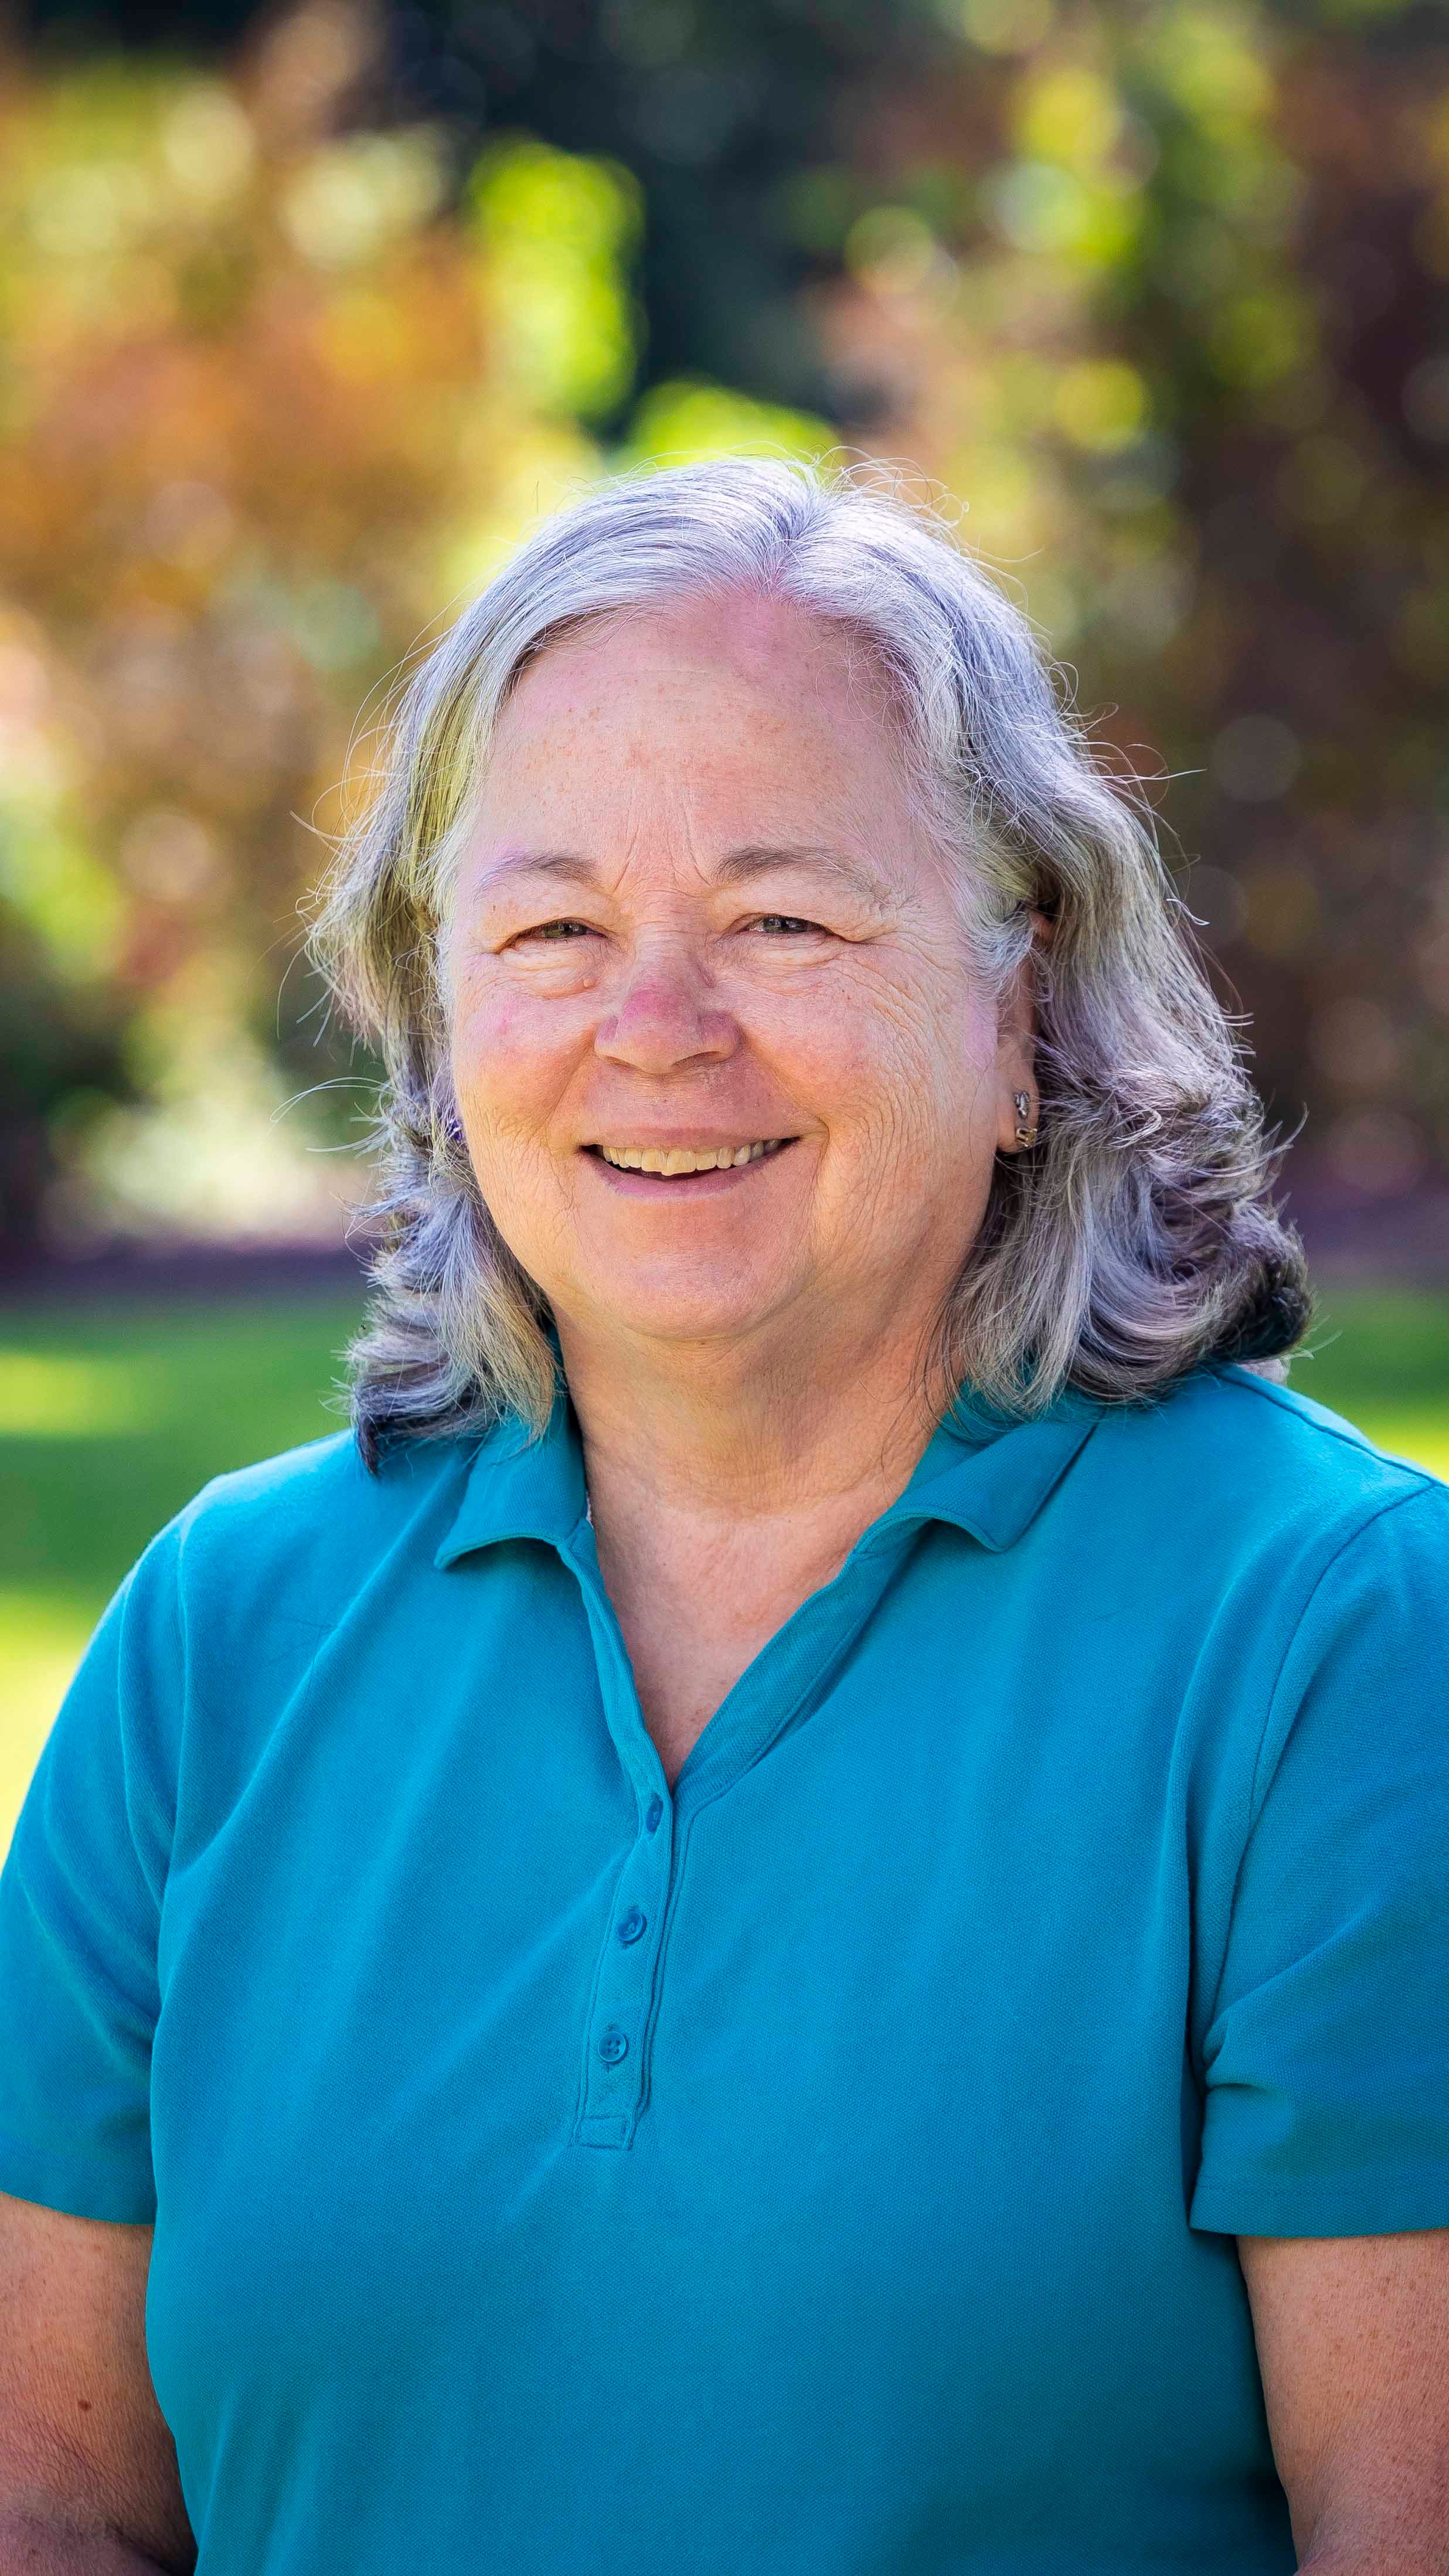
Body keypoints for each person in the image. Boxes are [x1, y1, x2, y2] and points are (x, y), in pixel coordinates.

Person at [0, 456, 1445, 2576]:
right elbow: (56, 2495)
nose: (654, 1031)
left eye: (783, 917)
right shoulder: (221, 1633)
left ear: (1022, 1007)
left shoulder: (1327, 1635)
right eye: (554, 927)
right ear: (437, 1004)